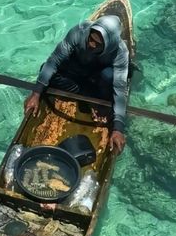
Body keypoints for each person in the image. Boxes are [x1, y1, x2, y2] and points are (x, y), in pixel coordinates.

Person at [24, 16, 130, 154]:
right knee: (46, 71)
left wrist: (118, 129)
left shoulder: (121, 53)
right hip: (77, 73)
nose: (91, 44)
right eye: (91, 39)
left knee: (109, 75)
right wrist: (36, 93)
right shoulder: (79, 32)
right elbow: (54, 61)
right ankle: (86, 93)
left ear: (109, 44)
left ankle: (96, 99)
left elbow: (120, 91)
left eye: (98, 44)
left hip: (98, 80)